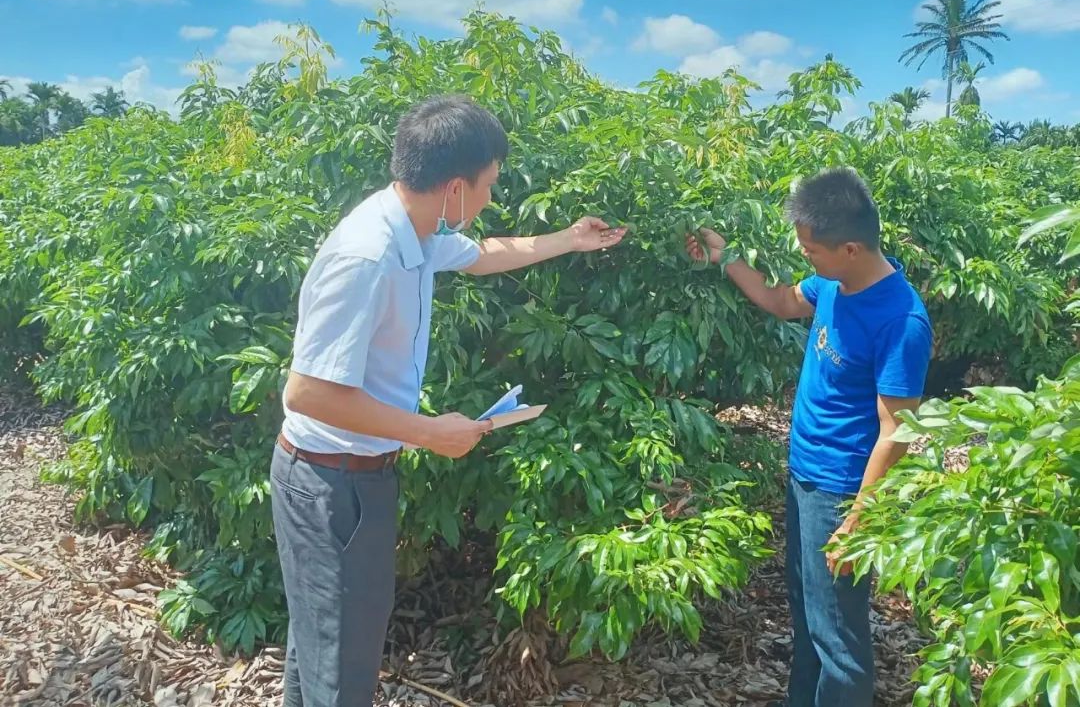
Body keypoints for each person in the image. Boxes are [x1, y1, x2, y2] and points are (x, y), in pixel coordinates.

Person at [271, 94, 627, 707]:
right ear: (456, 188)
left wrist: (571, 238)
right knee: (340, 666)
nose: (490, 200)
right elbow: (307, 392)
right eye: (488, 186)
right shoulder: (368, 255)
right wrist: (429, 432)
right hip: (330, 486)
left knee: (327, 650)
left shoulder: (415, 229)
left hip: (354, 477)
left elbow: (487, 255)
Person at [685, 167, 931, 707]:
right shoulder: (834, 284)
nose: (807, 260)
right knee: (810, 621)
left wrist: (858, 520)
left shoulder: (901, 320)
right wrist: (724, 257)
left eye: (812, 251)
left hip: (841, 493)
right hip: (806, 479)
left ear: (849, 247)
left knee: (839, 641)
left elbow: (898, 431)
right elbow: (777, 300)